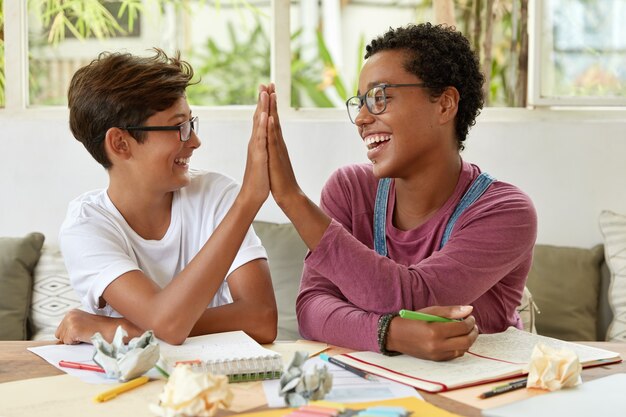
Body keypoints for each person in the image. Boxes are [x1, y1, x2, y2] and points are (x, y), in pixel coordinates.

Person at [263, 23, 537, 361]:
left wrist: (292, 199)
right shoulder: (349, 190)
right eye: (361, 103)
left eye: (380, 98)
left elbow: (417, 296)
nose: (361, 118)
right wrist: (390, 332)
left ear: (445, 104)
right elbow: (312, 308)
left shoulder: (506, 212)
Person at [55, 49, 277, 345]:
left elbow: (261, 320)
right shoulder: (86, 227)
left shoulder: (216, 195)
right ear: (120, 143)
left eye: (191, 123)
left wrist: (128, 328)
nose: (195, 141)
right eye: (179, 127)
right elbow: (168, 324)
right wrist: (249, 199)